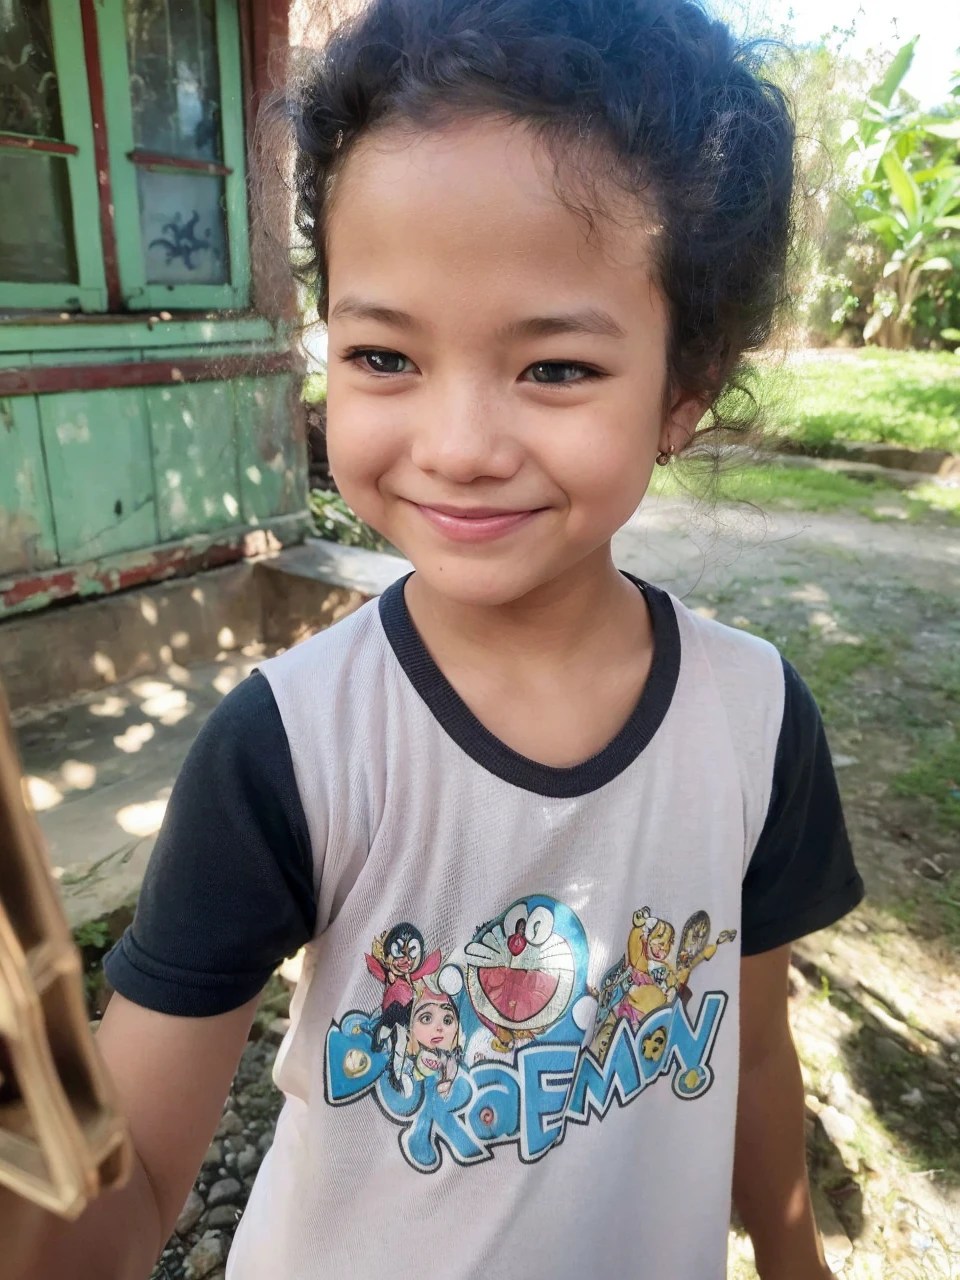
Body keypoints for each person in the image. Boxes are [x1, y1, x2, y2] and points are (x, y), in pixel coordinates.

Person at [15, 0, 863, 1276]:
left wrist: (796, 1257)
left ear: (686, 387)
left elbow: (748, 1048)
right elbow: (104, 1230)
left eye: (555, 368)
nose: (458, 444)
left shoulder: (753, 716)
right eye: (383, 353)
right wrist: (33, 1108)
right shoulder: (287, 752)